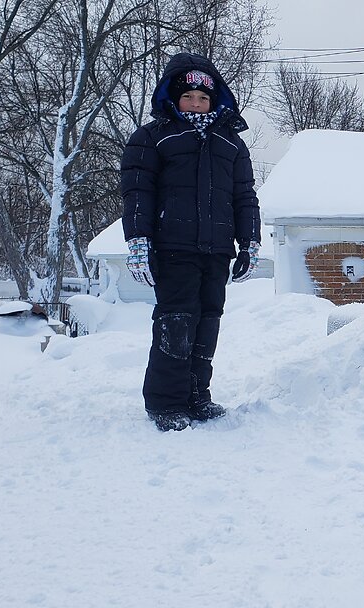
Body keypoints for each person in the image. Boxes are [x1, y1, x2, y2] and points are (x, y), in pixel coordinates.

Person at [121, 52, 261, 432]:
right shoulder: (152, 138)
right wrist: (138, 242)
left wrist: (248, 243)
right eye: (188, 97)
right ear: (173, 98)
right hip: (173, 247)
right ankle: (166, 401)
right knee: (177, 323)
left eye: (203, 98)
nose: (196, 104)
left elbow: (245, 195)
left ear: (214, 100)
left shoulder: (230, 143)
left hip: (216, 250)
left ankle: (197, 395)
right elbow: (137, 193)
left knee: (207, 323)